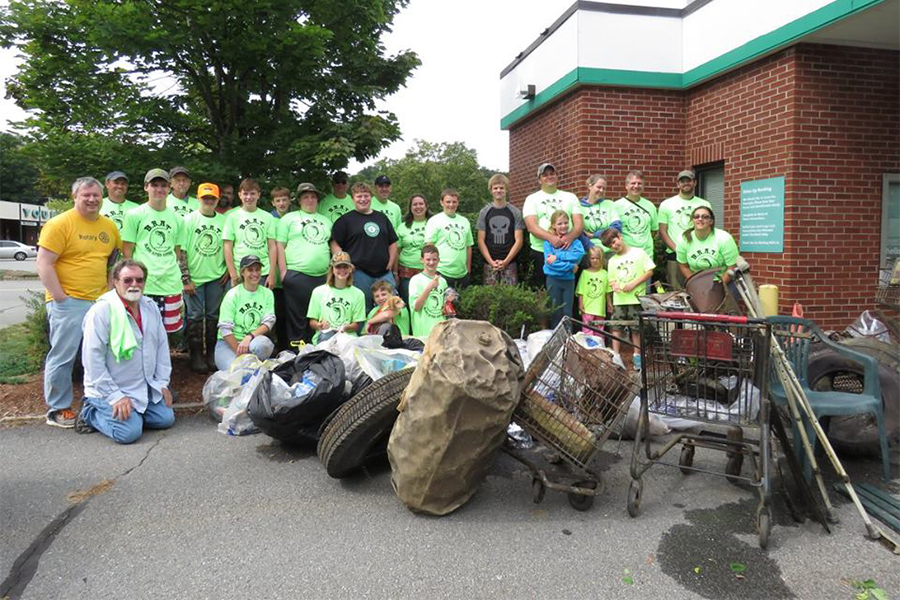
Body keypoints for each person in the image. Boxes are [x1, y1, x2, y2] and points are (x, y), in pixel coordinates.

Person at [37, 176, 121, 428]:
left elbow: (112, 264)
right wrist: (60, 297)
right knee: (62, 357)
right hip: (68, 302)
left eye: (96, 195)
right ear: (75, 197)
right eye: (86, 195)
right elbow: (43, 263)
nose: (92, 199)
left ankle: (97, 402)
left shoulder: (109, 227)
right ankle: (58, 409)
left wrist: (108, 294)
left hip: (98, 302)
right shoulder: (60, 224)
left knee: (99, 355)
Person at [76, 260, 175, 443]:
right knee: (128, 434)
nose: (134, 285)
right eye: (127, 280)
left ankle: (132, 416)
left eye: (139, 280)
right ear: (115, 281)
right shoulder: (101, 312)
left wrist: (161, 383)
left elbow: (162, 347)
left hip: (141, 387)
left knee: (165, 419)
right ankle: (90, 412)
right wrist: (115, 397)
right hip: (108, 390)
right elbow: (92, 360)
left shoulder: (150, 307)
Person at [122, 169, 188, 334]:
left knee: (166, 335)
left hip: (170, 284)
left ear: (169, 188)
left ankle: (163, 361)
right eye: (154, 185)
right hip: (145, 285)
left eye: (163, 185)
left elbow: (177, 252)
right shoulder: (134, 215)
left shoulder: (178, 219)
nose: (159, 189)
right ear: (146, 187)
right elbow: (127, 252)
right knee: (141, 331)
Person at [181, 182, 229, 372]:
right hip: (195, 277)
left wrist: (227, 269)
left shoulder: (224, 221)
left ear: (217, 199)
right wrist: (186, 278)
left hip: (216, 277)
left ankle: (211, 354)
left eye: (212, 198)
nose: (208, 201)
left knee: (214, 317)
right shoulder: (188, 220)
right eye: (205, 198)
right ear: (199, 199)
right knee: (194, 316)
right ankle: (196, 356)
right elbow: (181, 251)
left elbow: (228, 247)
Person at [278, 183, 332, 346]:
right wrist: (283, 273)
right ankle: (296, 351)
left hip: (321, 277)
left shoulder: (326, 221)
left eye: (313, 197)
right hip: (297, 274)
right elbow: (280, 245)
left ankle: (315, 349)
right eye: (306, 197)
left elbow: (331, 245)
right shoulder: (288, 218)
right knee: (297, 317)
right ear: (299, 200)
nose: (310, 200)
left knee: (316, 316)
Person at [331, 182, 398, 312]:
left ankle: (391, 332)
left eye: (366, 196)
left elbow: (393, 242)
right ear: (353, 198)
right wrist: (346, 262)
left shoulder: (381, 218)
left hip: (384, 273)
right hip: (359, 274)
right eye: (359, 196)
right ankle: (363, 332)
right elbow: (335, 244)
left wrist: (391, 261)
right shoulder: (345, 220)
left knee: (391, 308)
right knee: (362, 308)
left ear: (371, 197)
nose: (363, 199)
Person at [601, 228, 655, 371]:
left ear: (620, 236)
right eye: (610, 246)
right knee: (616, 327)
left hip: (636, 299)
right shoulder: (612, 260)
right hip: (620, 300)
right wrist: (615, 287)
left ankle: (637, 355)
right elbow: (611, 279)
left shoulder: (639, 253)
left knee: (636, 328)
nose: (614, 246)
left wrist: (633, 284)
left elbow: (649, 271)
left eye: (614, 241)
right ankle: (616, 356)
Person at [523, 163, 583, 288]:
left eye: (552, 174)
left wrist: (569, 237)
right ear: (539, 180)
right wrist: (552, 238)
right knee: (543, 291)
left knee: (568, 292)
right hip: (542, 252)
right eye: (545, 175)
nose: (549, 177)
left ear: (557, 176)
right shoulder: (531, 199)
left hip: (568, 252)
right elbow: (531, 226)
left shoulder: (570, 197)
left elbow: (579, 224)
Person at [215, 255, 276, 370]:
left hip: (253, 341)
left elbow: (269, 322)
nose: (255, 274)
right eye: (250, 270)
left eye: (257, 269)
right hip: (228, 344)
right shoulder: (232, 295)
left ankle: (256, 366)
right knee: (237, 371)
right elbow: (225, 329)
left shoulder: (267, 293)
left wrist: (249, 337)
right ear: (242, 272)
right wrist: (241, 354)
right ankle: (252, 366)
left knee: (264, 344)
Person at [659, 170, 712, 289]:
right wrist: (677, 249)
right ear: (678, 184)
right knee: (676, 290)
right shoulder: (667, 204)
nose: (685, 183)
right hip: (674, 254)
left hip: (698, 253)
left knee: (700, 289)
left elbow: (709, 229)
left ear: (695, 183)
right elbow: (662, 231)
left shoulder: (705, 204)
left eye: (689, 181)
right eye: (682, 181)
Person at [223, 178, 277, 290]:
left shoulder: (268, 217)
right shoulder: (232, 217)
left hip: (262, 272)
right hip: (240, 272)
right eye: (245, 194)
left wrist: (272, 274)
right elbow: (227, 246)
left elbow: (272, 247)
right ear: (239, 195)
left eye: (252, 193)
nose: (249, 197)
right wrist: (232, 272)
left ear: (258, 195)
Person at [307, 252, 366, 344]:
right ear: (332, 269)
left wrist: (346, 327)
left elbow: (356, 324)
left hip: (348, 338)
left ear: (350, 269)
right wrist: (320, 325)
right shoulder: (318, 292)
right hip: (324, 337)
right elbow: (312, 322)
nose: (342, 270)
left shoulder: (359, 294)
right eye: (338, 267)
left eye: (345, 267)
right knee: (327, 336)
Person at [476, 174, 525, 285]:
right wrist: (491, 262)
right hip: (489, 263)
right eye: (495, 188)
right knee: (490, 298)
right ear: (491, 190)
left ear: (506, 190)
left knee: (510, 298)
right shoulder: (484, 212)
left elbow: (519, 240)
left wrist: (506, 261)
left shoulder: (515, 212)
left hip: (510, 263)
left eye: (501, 188)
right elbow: (480, 240)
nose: (499, 190)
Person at [425, 189, 474, 290]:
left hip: (462, 274)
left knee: (463, 305)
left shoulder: (465, 221)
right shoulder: (434, 221)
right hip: (442, 272)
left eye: (454, 202)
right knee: (443, 305)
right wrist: (432, 270)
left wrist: (468, 269)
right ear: (441, 202)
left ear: (458, 203)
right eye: (448, 202)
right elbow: (429, 247)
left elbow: (468, 246)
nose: (451, 205)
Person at [543, 211, 585, 328]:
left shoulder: (575, 242)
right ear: (553, 226)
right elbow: (551, 264)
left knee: (567, 312)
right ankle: (556, 340)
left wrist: (558, 256)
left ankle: (568, 339)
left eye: (566, 223)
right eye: (560, 223)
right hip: (553, 279)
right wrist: (570, 266)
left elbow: (578, 256)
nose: (563, 226)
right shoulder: (548, 243)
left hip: (568, 281)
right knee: (555, 311)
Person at [676, 206, 739, 284]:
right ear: (692, 220)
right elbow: (684, 266)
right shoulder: (683, 239)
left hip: (724, 279)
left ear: (711, 221)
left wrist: (720, 286)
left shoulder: (724, 238)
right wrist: (694, 283)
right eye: (696, 217)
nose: (700, 219)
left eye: (705, 217)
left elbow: (731, 267)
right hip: (697, 281)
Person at [614, 170, 658, 278]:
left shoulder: (650, 206)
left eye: (639, 183)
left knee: (644, 292)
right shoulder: (616, 206)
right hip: (625, 254)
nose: (636, 186)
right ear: (626, 186)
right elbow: (613, 231)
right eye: (633, 183)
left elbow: (654, 230)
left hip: (645, 256)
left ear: (643, 186)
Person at [395, 193, 431, 305]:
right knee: (408, 303)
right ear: (410, 208)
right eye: (415, 204)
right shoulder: (403, 226)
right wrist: (395, 272)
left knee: (428, 303)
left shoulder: (434, 223)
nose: (418, 207)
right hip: (407, 273)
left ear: (426, 206)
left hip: (429, 271)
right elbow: (397, 251)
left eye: (421, 204)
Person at [408, 244, 448, 338]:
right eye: (428, 259)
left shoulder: (442, 281)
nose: (431, 262)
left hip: (441, 331)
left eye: (434, 259)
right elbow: (416, 307)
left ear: (438, 260)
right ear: (422, 260)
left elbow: (445, 309)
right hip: (423, 333)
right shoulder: (415, 280)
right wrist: (428, 288)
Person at [579, 174, 621, 256]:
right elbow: (579, 233)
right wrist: (592, 248)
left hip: (610, 250)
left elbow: (616, 228)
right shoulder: (579, 207)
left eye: (604, 188)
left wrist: (593, 235)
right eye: (598, 187)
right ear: (590, 186)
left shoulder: (610, 204)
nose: (601, 190)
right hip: (589, 253)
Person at [576, 246, 611, 335]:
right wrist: (580, 304)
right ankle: (588, 348)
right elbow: (581, 291)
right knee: (587, 330)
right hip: (587, 308)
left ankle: (599, 347)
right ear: (589, 259)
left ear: (602, 259)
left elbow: (607, 291)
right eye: (592, 258)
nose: (595, 260)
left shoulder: (605, 273)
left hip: (600, 308)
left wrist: (609, 304)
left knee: (600, 330)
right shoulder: (584, 273)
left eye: (597, 258)